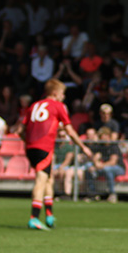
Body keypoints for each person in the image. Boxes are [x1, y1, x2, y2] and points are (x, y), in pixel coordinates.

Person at [22, 78, 93, 229]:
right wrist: (83, 146)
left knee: (49, 179)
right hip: (44, 147)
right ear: (55, 93)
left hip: (31, 147)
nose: (63, 96)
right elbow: (69, 130)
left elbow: (19, 130)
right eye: (62, 93)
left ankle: (49, 215)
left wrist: (29, 142)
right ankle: (34, 217)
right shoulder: (58, 106)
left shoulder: (34, 105)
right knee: (41, 179)